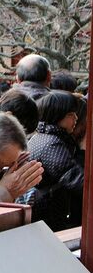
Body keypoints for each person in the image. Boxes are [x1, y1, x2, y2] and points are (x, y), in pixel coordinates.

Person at [28, 90, 84, 231]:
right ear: (57, 116)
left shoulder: (45, 136)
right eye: (71, 114)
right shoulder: (52, 144)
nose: (76, 118)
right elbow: (74, 178)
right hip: (47, 213)